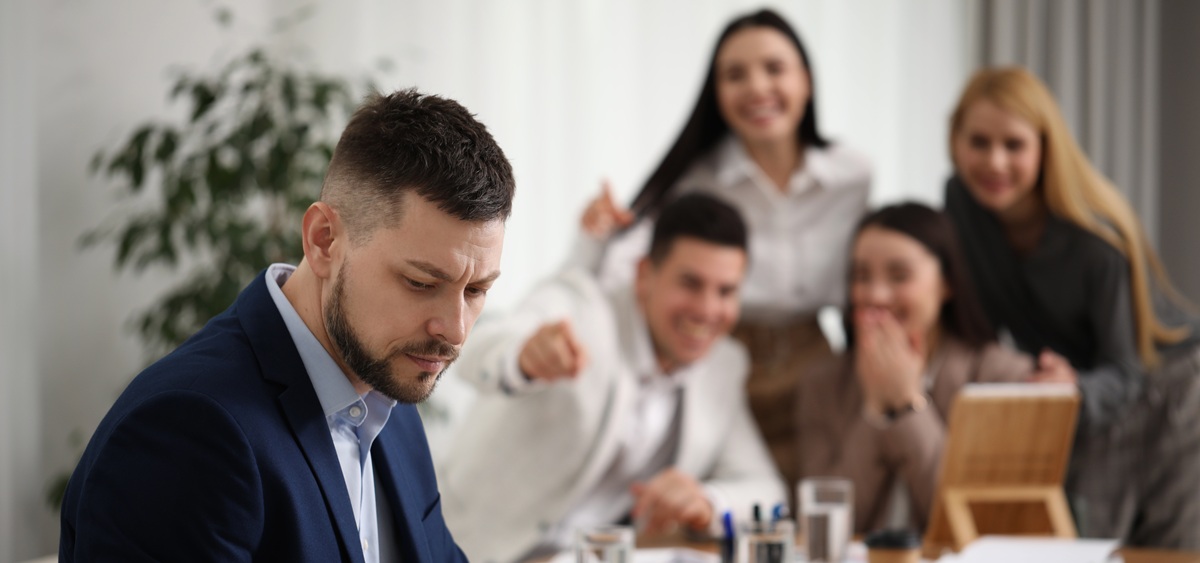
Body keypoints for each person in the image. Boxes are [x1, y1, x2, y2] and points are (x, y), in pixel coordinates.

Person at [59, 89, 516, 562]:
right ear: (324, 241)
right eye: (421, 283)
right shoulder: (189, 431)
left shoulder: (391, 399)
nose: (455, 330)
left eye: (476, 290)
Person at [576, 7, 872, 497]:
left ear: (807, 82)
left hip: (817, 369)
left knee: (821, 518)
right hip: (725, 362)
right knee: (738, 516)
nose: (757, 87)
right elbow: (621, 270)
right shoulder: (698, 182)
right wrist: (590, 242)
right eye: (735, 75)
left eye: (774, 68)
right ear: (717, 94)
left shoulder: (852, 176)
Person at [441, 194, 785, 562]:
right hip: (475, 551)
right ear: (644, 276)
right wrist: (525, 357)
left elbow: (767, 490)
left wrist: (707, 501)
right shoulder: (582, 308)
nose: (707, 310)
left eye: (726, 291)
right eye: (690, 283)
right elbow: (479, 350)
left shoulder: (723, 366)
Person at [943, 66, 1200, 548]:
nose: (994, 162)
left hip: (1168, 384)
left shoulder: (1095, 240)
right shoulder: (960, 204)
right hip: (1076, 383)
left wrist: (1076, 385)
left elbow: (1124, 369)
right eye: (978, 142)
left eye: (1014, 145)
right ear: (954, 142)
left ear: (1045, 147)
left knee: (1159, 544)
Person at [794, 203, 1033, 533]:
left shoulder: (1001, 376)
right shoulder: (823, 383)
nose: (875, 295)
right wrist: (876, 411)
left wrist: (907, 405)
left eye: (899, 276)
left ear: (946, 282)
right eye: (861, 276)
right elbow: (821, 530)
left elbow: (976, 524)